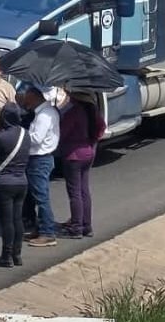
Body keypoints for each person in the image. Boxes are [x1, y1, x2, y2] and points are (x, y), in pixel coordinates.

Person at [57, 94, 104, 239]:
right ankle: (86, 226)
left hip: (73, 155)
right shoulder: (91, 110)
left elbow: (62, 132)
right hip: (88, 152)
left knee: (75, 192)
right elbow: (101, 128)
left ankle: (76, 227)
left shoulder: (73, 112)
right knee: (84, 190)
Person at [19, 83, 60, 247]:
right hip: (38, 159)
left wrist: (22, 134)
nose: (25, 100)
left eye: (27, 96)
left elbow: (37, 139)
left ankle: (48, 232)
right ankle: (40, 228)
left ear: (35, 97)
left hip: (39, 159)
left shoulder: (44, 115)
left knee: (41, 196)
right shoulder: (42, 112)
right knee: (35, 195)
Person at [0, 102, 30, 267]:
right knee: (17, 219)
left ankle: (6, 256)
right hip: (22, 181)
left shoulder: (2, 137)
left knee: (6, 220)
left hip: (4, 183)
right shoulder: (26, 134)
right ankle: (17, 254)